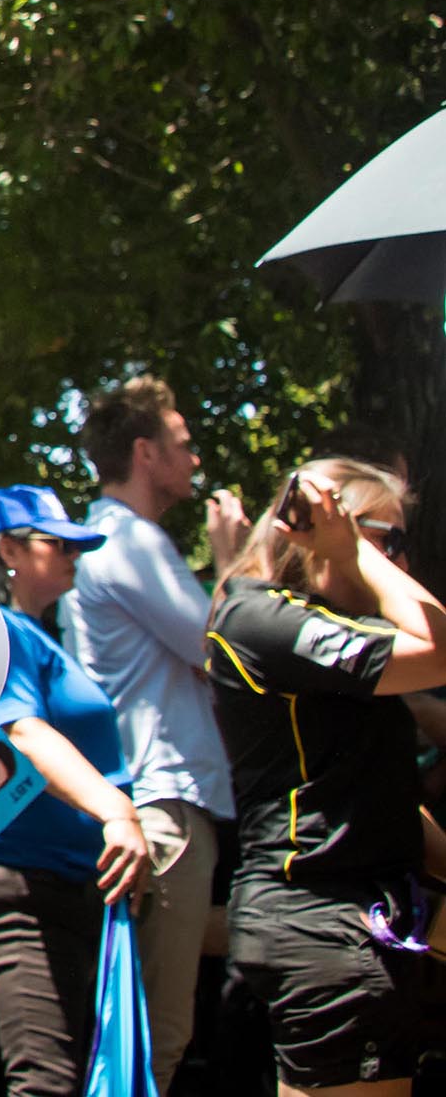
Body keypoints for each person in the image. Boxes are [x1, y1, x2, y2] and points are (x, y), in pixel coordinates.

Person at [207, 461, 446, 1097]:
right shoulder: (261, 618)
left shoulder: (327, 628)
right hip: (324, 922)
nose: (394, 562)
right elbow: (440, 649)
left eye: (400, 544)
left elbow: (371, 794)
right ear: (320, 529)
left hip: (369, 915)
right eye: (383, 540)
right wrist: (351, 551)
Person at [0, 485, 151, 1097]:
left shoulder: (36, 634)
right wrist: (116, 811)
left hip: (54, 885)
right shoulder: (2, 631)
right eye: (56, 542)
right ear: (8, 548)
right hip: (25, 886)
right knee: (46, 1083)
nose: (73, 554)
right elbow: (24, 732)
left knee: (13, 1080)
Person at [69, 375, 236, 1091]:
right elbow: (223, 649)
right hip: (163, 802)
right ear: (145, 452)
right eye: (184, 445)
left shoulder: (118, 540)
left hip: (160, 802)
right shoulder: (128, 541)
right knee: (156, 1041)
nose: (195, 460)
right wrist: (232, 561)